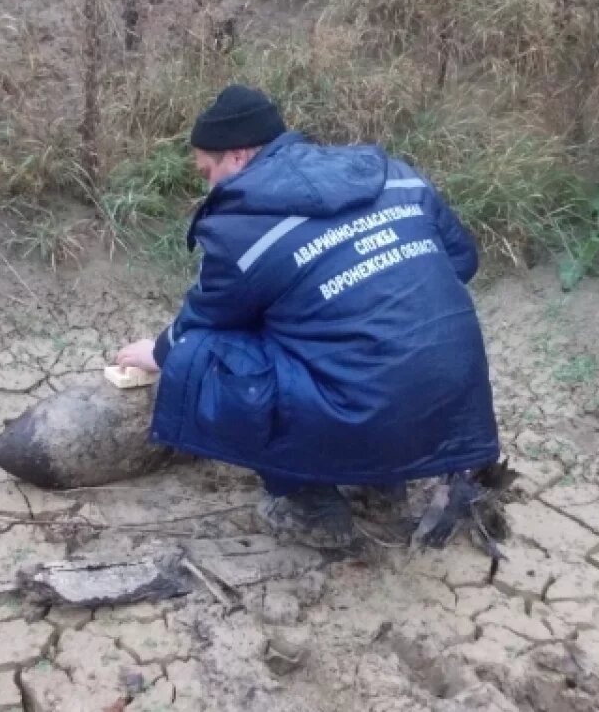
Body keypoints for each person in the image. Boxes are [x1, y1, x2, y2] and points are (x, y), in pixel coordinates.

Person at [116, 84, 500, 548]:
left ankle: (307, 502)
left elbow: (206, 320)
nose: (208, 186)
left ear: (236, 158)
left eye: (207, 171)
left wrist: (158, 353)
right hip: (454, 407)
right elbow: (462, 263)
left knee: (203, 356)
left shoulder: (243, 226)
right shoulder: (395, 176)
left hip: (372, 414)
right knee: (361, 343)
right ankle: (386, 483)